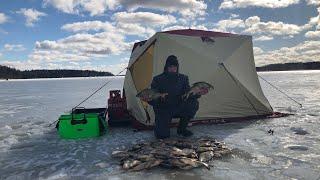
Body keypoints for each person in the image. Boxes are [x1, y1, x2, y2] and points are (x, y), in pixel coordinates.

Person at [141, 55, 208, 139]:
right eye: (170, 66)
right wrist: (149, 100)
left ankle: (182, 129)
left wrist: (198, 93)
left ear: (177, 67)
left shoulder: (183, 78)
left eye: (175, 66)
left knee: (193, 104)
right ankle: (162, 128)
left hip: (178, 106)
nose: (173, 69)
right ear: (166, 67)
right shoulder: (157, 79)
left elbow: (188, 94)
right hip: (163, 109)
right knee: (162, 136)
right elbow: (154, 95)